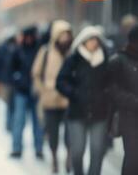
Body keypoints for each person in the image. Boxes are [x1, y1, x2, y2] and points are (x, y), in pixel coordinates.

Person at [56, 26, 111, 175]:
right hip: (77, 112)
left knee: (97, 151)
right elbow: (61, 81)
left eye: (96, 40)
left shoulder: (106, 58)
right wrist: (74, 93)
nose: (94, 43)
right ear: (83, 41)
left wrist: (106, 95)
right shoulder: (73, 59)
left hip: (100, 113)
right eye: (91, 40)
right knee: (77, 151)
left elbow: (113, 82)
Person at [32, 20, 73, 173]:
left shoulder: (72, 52)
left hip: (68, 99)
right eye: (62, 34)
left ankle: (69, 157)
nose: (65, 38)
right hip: (50, 100)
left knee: (70, 132)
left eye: (67, 35)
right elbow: (36, 73)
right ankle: (54, 158)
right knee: (52, 133)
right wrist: (42, 90)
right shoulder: (46, 51)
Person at [9, 26, 44, 159]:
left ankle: (39, 148)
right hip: (21, 90)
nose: (29, 39)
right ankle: (16, 147)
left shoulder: (39, 50)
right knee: (19, 120)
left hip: (36, 90)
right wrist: (17, 80)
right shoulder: (18, 51)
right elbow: (11, 68)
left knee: (38, 121)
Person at [107, 25, 138, 175]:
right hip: (129, 118)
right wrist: (132, 101)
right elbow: (111, 89)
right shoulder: (119, 60)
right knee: (133, 159)